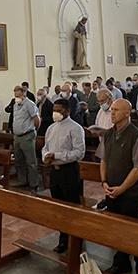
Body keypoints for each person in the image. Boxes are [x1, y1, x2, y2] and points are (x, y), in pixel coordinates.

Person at [100, 98, 138, 274]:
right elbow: (103, 160)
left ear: (127, 113)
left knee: (134, 233)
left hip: (129, 194)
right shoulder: (108, 134)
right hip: (111, 190)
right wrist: (104, 182)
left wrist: (122, 188)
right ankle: (121, 263)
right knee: (117, 231)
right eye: (111, 109)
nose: (111, 113)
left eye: (116, 110)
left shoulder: (136, 136)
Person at [41, 99, 86, 253]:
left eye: (59, 110)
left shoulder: (75, 128)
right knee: (59, 208)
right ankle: (63, 239)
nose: (55, 113)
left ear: (67, 111)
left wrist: (57, 155)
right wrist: (46, 156)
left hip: (69, 171)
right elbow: (45, 147)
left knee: (72, 207)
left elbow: (79, 152)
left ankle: (77, 240)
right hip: (55, 171)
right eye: (54, 109)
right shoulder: (51, 128)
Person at [10, 85, 41, 191]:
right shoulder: (15, 105)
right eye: (15, 95)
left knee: (30, 161)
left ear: (24, 94)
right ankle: (22, 180)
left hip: (27, 135)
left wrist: (33, 130)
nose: (16, 97)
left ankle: (34, 183)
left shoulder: (29, 104)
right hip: (17, 136)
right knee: (18, 160)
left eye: (18, 95)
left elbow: (36, 119)